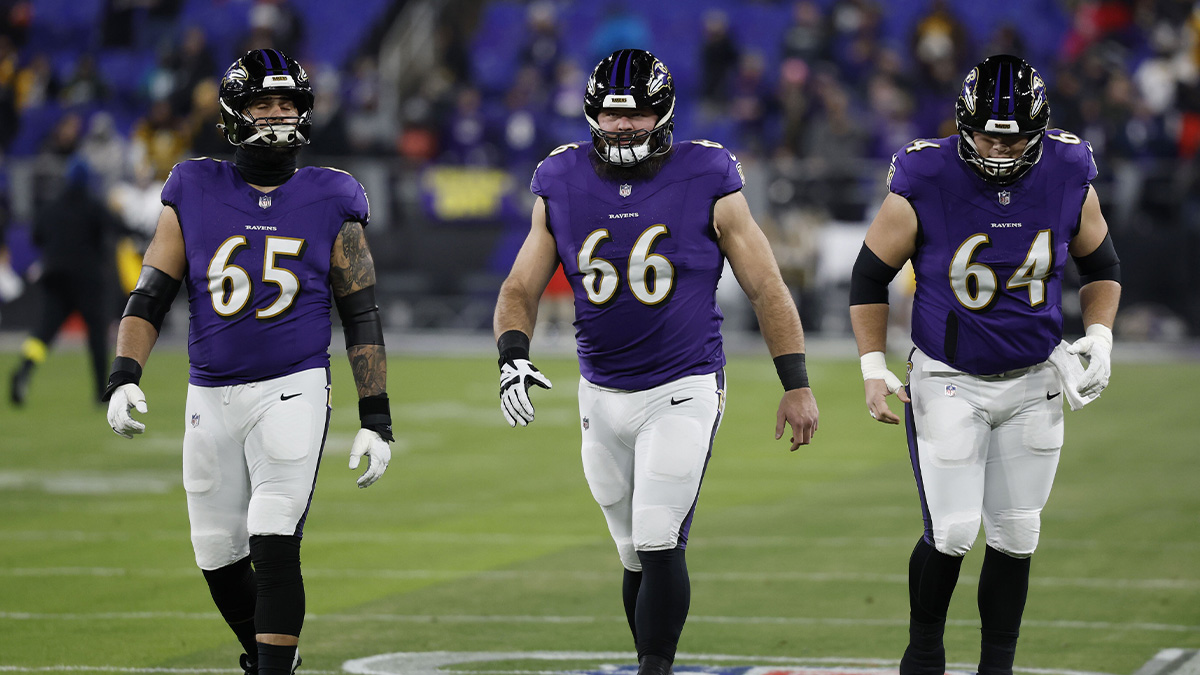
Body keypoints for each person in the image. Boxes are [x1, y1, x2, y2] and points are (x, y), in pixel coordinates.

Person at [493, 49, 819, 675]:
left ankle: (653, 669)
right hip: (600, 391)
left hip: (684, 384)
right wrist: (513, 356)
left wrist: (795, 383)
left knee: (658, 537)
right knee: (631, 552)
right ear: (592, 115)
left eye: (637, 114)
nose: (624, 126)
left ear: (663, 111)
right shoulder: (558, 180)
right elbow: (519, 288)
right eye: (613, 115)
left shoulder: (707, 173)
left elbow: (767, 286)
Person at [101, 49, 394, 675]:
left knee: (273, 540)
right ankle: (262, 655)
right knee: (215, 552)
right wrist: (124, 374)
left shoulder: (333, 194)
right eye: (264, 104)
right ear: (234, 114)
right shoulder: (195, 185)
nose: (278, 117)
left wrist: (377, 415)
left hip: (292, 387)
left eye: (289, 105)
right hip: (209, 391)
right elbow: (151, 292)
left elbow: (361, 315)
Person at [848, 54, 1121, 675]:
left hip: (1034, 380)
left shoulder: (1069, 169)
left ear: (1041, 128)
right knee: (951, 532)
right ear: (965, 123)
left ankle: (997, 666)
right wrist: (871, 363)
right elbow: (869, 275)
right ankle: (923, 656)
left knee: (1018, 534)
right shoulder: (926, 172)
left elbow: (1102, 266)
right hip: (949, 380)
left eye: (1016, 133)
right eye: (989, 132)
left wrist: (1100, 336)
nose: (1001, 146)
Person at [9, 159, 122, 406]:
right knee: (96, 336)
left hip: (56, 277)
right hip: (88, 280)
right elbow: (116, 227)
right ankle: (100, 392)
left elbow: (36, 237)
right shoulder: (93, 205)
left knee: (43, 333)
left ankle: (24, 370)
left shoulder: (50, 207)